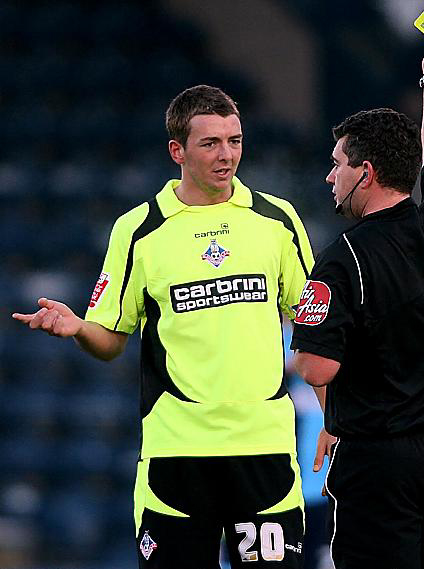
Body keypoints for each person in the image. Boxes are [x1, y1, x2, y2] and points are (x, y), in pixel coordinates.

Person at [13, 85, 314, 569]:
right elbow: (111, 339)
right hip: (178, 452)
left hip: (264, 448)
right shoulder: (139, 230)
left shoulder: (277, 220)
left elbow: (313, 321)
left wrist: (330, 410)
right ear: (177, 150)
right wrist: (77, 328)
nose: (227, 155)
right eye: (210, 143)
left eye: (234, 141)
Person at [291, 35, 424, 569]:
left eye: (338, 164)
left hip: (379, 461)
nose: (331, 176)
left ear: (365, 173)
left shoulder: (340, 259)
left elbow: (316, 366)